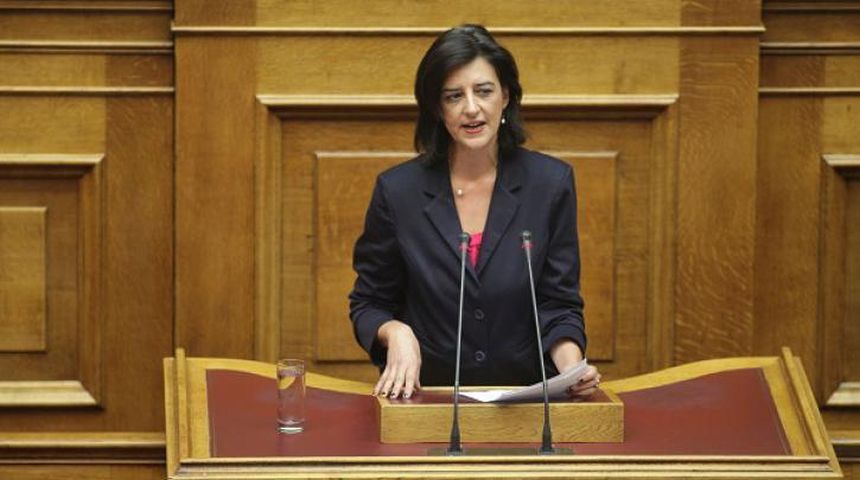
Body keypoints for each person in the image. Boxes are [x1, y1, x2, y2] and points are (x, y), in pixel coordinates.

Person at [349, 24, 601, 400]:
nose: (471, 108)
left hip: (527, 404)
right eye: (454, 96)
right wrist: (395, 331)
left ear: (506, 96)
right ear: (438, 108)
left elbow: (558, 304)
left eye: (484, 91)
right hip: (429, 401)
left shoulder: (549, 184)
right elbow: (370, 303)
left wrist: (571, 369)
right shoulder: (398, 192)